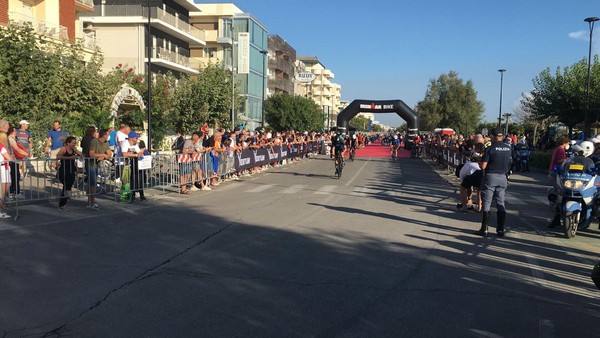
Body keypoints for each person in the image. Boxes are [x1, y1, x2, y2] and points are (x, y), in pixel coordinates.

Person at [476, 128, 512, 237]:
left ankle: (484, 228)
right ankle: (500, 229)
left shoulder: (490, 148)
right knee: (501, 203)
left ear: (492, 136)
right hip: (503, 178)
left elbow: (483, 166)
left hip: (490, 177)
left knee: (486, 203)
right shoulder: (508, 148)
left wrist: (479, 162)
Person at [87, 129, 112, 210]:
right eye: (107, 135)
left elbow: (109, 153)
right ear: (104, 135)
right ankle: (91, 201)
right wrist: (103, 155)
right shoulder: (94, 141)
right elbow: (91, 153)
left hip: (97, 164)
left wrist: (104, 156)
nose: (108, 136)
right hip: (91, 163)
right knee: (92, 183)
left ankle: (91, 201)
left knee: (93, 183)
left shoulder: (106, 143)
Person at [57, 136, 82, 211]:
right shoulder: (64, 149)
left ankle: (63, 204)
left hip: (72, 170)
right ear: (68, 143)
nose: (74, 144)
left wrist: (76, 150)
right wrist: (69, 158)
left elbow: (81, 154)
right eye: (73, 143)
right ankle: (62, 205)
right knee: (66, 187)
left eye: (75, 143)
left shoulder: (73, 149)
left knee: (68, 187)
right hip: (64, 170)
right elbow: (58, 156)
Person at [121, 131, 146, 202]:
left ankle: (133, 195)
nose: (137, 139)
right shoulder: (125, 143)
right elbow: (124, 154)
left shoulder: (135, 144)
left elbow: (139, 152)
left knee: (134, 179)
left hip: (132, 164)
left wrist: (140, 153)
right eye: (136, 137)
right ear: (132, 138)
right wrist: (135, 155)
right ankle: (125, 198)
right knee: (125, 180)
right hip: (124, 164)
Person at [7, 126, 28, 200]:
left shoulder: (8, 139)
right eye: (15, 131)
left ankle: (12, 192)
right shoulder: (11, 140)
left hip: (11, 160)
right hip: (12, 160)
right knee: (15, 176)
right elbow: (17, 149)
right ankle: (16, 192)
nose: (16, 132)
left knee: (13, 176)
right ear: (11, 132)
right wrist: (25, 153)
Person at [0, 122, 12, 219]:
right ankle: (0, 211)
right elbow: (9, 158)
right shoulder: (2, 147)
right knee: (2, 192)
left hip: (4, 168)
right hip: (3, 169)